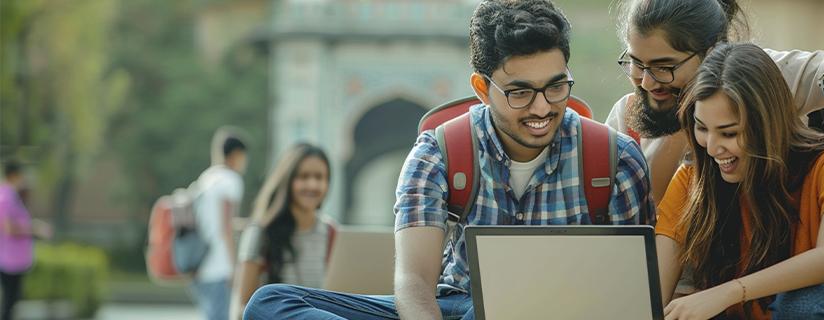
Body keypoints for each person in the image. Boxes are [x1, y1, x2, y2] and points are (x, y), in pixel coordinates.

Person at [243, 1, 656, 319]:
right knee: (270, 302)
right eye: (520, 92)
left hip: (559, 309)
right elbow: (415, 281)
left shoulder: (613, 160)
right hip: (451, 306)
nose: (542, 107)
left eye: (556, 87)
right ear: (481, 87)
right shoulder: (437, 154)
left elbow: (630, 293)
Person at [655, 42, 824, 319]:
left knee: (801, 303)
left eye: (729, 133)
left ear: (767, 124)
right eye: (702, 128)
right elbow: (653, 292)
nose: (711, 147)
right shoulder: (692, 181)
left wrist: (728, 292)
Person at [606, 0, 824, 204]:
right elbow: (634, 215)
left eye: (665, 67)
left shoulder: (767, 78)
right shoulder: (626, 115)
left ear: (713, 50)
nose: (647, 81)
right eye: (636, 64)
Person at [229, 143, 337, 319]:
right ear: (287, 181)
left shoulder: (332, 232)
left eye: (319, 177)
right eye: (303, 177)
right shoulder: (260, 233)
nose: (312, 184)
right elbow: (241, 309)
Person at [192, 128, 248, 320]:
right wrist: (235, 267)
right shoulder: (231, 181)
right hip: (219, 266)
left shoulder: (206, 178)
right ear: (235, 155)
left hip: (199, 264)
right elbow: (227, 228)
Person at [0, 160, 50, 320]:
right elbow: (8, 228)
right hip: (8, 259)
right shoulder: (5, 197)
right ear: (14, 175)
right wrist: (33, 230)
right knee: (10, 301)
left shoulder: (13, 196)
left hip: (15, 259)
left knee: (13, 300)